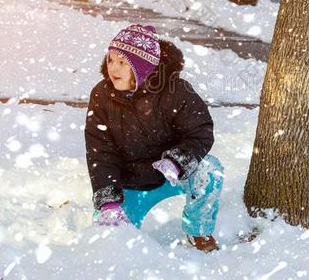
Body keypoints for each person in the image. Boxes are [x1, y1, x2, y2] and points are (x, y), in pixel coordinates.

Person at [85, 24, 223, 252]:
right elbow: (99, 151)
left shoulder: (176, 90)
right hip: (129, 183)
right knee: (110, 243)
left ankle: (198, 231)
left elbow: (200, 132)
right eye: (111, 60)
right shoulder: (102, 95)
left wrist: (176, 161)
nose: (113, 68)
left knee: (210, 170)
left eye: (122, 62)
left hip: (171, 175)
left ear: (140, 66)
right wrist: (108, 200)